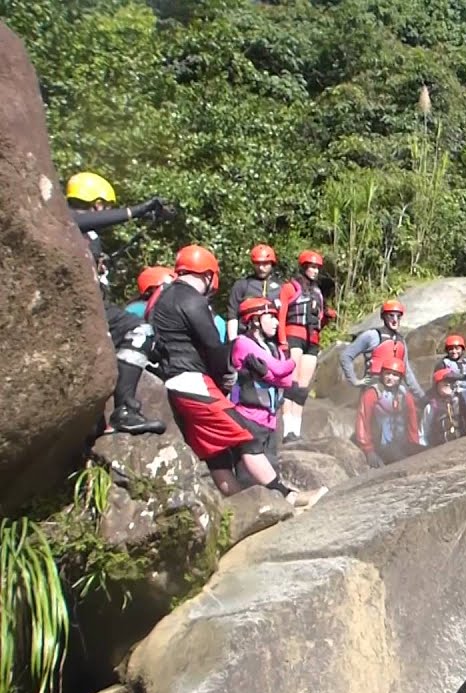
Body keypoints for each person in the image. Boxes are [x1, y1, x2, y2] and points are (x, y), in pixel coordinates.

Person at [148, 244, 325, 508]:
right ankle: (289, 497)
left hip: (174, 384)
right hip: (194, 381)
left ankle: (239, 507)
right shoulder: (192, 300)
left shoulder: (164, 298)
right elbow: (212, 348)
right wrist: (227, 376)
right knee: (246, 436)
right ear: (208, 273)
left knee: (214, 451)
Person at [66, 172, 170, 436]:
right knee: (140, 330)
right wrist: (137, 210)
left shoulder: (89, 232)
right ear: (97, 202)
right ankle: (120, 409)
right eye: (106, 206)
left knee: (141, 331)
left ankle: (124, 409)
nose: (107, 211)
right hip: (81, 308)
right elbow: (79, 220)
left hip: (98, 305)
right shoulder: (66, 217)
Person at [228, 297, 297, 477]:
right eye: (271, 317)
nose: (276, 322)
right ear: (255, 320)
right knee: (248, 477)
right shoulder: (242, 343)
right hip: (247, 417)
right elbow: (281, 368)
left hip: (270, 419)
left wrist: (267, 374)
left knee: (271, 469)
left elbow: (286, 380)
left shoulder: (272, 347)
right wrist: (287, 365)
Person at [276, 249, 337, 443]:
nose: (314, 271)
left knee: (302, 389)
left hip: (312, 340)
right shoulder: (290, 288)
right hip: (293, 336)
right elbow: (282, 315)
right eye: (311, 267)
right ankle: (287, 432)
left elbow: (318, 322)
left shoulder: (318, 292)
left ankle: (296, 430)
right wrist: (283, 341)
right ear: (303, 267)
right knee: (291, 385)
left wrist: (327, 318)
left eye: (317, 267)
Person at [339, 300, 425, 399]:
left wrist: (422, 396)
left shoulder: (401, 341)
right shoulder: (372, 335)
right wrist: (354, 381)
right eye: (391, 316)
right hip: (373, 388)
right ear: (383, 317)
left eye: (398, 317)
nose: (395, 320)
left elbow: (407, 372)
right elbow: (346, 356)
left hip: (395, 389)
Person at [354, 357, 426, 468]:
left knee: (425, 453)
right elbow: (362, 421)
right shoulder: (373, 393)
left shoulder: (405, 394)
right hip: (382, 446)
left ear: (400, 377)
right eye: (387, 373)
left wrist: (414, 443)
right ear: (382, 374)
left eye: (395, 375)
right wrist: (368, 450)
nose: (390, 378)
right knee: (402, 460)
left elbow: (412, 423)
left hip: (403, 443)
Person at [226, 244, 283, 340]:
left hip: (272, 339)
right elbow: (232, 316)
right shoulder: (242, 285)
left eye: (265, 264)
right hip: (246, 336)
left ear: (272, 263)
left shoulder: (281, 287)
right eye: (257, 263)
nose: (261, 268)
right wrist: (233, 342)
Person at [419, 368, 466, 449]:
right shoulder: (431, 407)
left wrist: (462, 377)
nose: (448, 384)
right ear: (437, 386)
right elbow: (423, 433)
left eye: (451, 381)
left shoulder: (463, 400)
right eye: (444, 381)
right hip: (442, 449)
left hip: (465, 445)